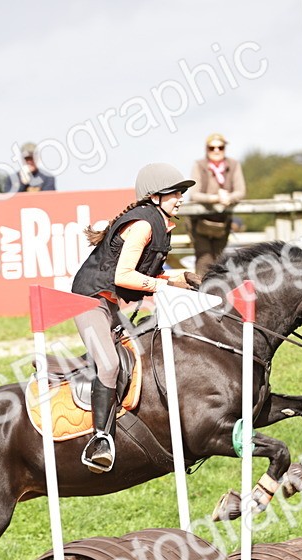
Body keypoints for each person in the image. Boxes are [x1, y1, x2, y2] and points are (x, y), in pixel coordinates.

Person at [70, 163, 198, 473]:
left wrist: (194, 279)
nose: (181, 197)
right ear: (155, 197)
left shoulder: (160, 224)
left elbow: (156, 274)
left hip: (110, 305)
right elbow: (125, 275)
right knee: (110, 363)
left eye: (181, 192)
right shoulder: (143, 225)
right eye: (175, 193)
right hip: (89, 300)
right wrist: (161, 288)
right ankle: (100, 440)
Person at [188, 133, 246, 277]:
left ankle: (216, 293)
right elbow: (194, 194)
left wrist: (229, 197)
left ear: (224, 148)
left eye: (220, 147)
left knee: (219, 260)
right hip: (199, 221)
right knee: (204, 259)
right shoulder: (199, 165)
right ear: (206, 149)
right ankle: (202, 293)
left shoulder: (233, 165)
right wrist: (215, 198)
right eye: (212, 147)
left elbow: (241, 191)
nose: (216, 150)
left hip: (222, 221)